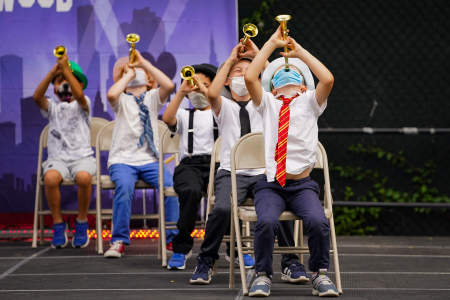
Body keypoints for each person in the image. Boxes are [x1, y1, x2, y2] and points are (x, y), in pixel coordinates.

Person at [190, 41, 303, 285]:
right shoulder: (224, 106)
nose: (242, 76)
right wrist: (231, 60)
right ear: (228, 81)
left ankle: (291, 262)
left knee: (279, 208)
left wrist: (258, 56)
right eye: (236, 73)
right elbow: (211, 93)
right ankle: (206, 261)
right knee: (221, 209)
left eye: (247, 72)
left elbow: (282, 80)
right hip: (232, 172)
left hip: (265, 172)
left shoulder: (266, 103)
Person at [244, 26, 339, 297]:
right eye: (277, 77)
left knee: (318, 222)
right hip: (271, 184)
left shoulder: (311, 103)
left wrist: (299, 54)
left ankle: (320, 273)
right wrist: (272, 44)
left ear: (303, 85)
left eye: (293, 75)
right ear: (271, 87)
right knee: (265, 223)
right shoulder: (268, 105)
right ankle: (262, 274)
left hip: (302, 185)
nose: (285, 77)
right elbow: (251, 76)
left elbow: (328, 79)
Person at [103, 50, 178, 258]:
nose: (135, 73)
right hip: (123, 161)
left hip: (150, 160)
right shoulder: (121, 100)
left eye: (139, 72)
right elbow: (111, 95)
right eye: (131, 71)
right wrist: (126, 75)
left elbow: (169, 85)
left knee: (171, 187)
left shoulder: (153, 98)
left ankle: (172, 239)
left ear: (149, 79)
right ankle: (118, 240)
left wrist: (144, 64)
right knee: (125, 187)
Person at [33, 54, 94, 249]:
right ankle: (58, 224)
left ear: (80, 85)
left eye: (70, 81)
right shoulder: (52, 107)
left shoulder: (84, 103)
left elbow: (79, 95)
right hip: (57, 159)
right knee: (50, 179)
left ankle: (82, 222)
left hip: (82, 158)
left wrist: (65, 70)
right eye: (60, 82)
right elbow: (37, 97)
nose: (65, 85)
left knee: (84, 178)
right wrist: (54, 72)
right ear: (54, 87)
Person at [162, 64, 219, 270]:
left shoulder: (220, 111)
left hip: (217, 164)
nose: (198, 89)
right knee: (190, 191)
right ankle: (182, 246)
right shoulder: (185, 114)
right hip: (190, 165)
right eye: (194, 85)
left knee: (228, 196)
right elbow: (167, 119)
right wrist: (181, 92)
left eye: (205, 85)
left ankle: (234, 248)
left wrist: (210, 94)